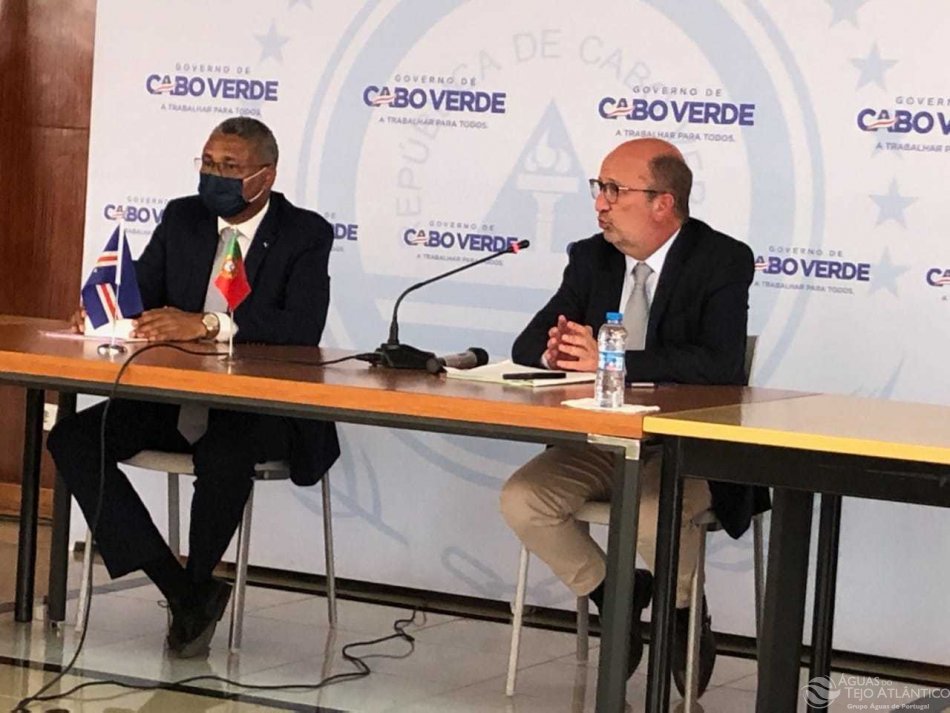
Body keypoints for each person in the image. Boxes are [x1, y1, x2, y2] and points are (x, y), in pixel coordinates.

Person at [48, 117, 340, 659]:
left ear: (265, 176)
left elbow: (301, 328)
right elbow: (140, 292)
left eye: (230, 167)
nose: (214, 175)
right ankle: (182, 590)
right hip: (173, 398)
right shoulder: (184, 217)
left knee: (224, 452)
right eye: (208, 163)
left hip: (258, 409)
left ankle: (199, 579)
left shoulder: (305, 233)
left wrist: (208, 324)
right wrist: (103, 312)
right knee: (73, 438)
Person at [500, 137, 761, 696]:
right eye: (600, 188)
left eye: (615, 190)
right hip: (604, 442)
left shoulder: (721, 259)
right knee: (523, 499)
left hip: (686, 450)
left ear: (663, 203)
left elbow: (720, 365)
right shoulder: (591, 257)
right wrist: (557, 351)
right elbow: (527, 345)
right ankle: (617, 598)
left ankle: (683, 611)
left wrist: (612, 360)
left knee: (649, 516)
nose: (601, 203)